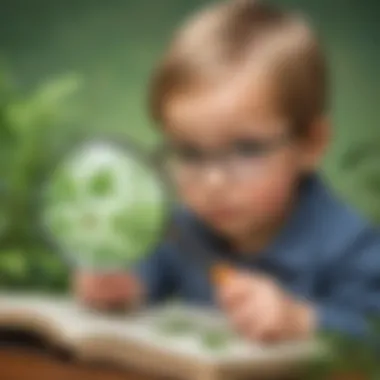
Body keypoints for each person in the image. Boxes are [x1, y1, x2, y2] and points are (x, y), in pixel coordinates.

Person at [74, 0, 380, 342]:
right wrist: (117, 287)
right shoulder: (180, 231)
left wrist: (300, 320)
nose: (213, 182)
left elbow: (371, 330)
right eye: (189, 153)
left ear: (310, 144)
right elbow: (142, 279)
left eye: (247, 150)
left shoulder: (353, 246)